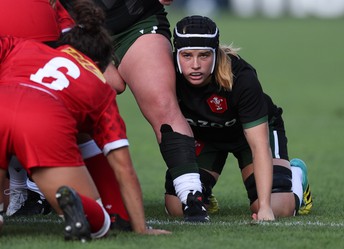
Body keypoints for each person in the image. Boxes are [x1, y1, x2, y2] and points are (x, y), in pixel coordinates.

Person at [0, 0, 170, 240]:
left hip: (2, 102)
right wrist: (141, 227)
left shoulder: (27, 47)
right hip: (43, 123)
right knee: (99, 223)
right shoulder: (99, 88)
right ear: (100, 64)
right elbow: (124, 168)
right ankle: (84, 208)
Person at [59, 0, 209, 222]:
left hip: (134, 20)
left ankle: (191, 195)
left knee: (161, 101)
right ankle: (29, 187)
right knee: (68, 108)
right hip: (74, 28)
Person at [164, 15, 313, 220]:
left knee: (279, 209)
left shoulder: (242, 79)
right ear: (176, 54)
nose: (195, 64)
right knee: (177, 207)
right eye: (187, 55)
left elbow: (260, 145)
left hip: (249, 136)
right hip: (205, 138)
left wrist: (265, 209)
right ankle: (204, 194)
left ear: (215, 54)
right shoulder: (166, 74)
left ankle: (296, 175)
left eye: (204, 55)